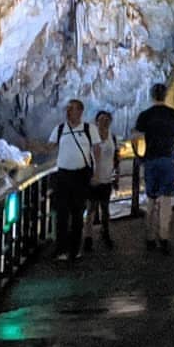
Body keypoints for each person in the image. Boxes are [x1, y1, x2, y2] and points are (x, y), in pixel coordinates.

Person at [133, 83, 174, 253]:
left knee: (151, 200)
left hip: (151, 160)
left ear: (152, 95)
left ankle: (150, 237)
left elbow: (134, 137)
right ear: (165, 95)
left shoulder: (145, 115)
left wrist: (138, 155)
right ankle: (163, 237)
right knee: (166, 201)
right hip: (168, 160)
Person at [51, 99, 94, 262]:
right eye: (68, 109)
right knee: (61, 213)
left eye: (72, 109)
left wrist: (95, 174)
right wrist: (30, 146)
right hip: (63, 175)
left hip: (80, 175)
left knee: (77, 214)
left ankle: (75, 249)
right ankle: (61, 249)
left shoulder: (90, 129)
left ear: (80, 112)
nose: (69, 112)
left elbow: (95, 149)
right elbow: (50, 146)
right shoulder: (60, 129)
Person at [84, 109, 119, 253]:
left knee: (105, 209)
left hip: (106, 179)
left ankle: (105, 233)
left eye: (106, 120)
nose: (104, 122)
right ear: (97, 122)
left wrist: (116, 175)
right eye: (101, 119)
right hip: (93, 179)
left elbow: (116, 157)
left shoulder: (113, 137)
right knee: (91, 209)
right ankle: (88, 238)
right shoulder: (90, 138)